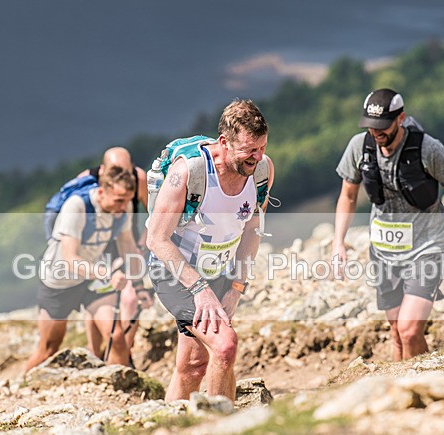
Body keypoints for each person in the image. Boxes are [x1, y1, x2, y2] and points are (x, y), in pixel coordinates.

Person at [146, 99, 274, 402]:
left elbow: (252, 230)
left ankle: (168, 429)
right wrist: (201, 290)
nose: (256, 157)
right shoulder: (188, 173)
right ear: (224, 142)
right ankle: (219, 429)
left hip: (218, 270)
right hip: (175, 272)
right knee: (225, 346)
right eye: (248, 150)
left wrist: (237, 288)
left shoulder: (262, 171)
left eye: (262, 148)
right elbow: (156, 239)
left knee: (192, 366)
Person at [332, 88, 444, 361]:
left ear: (401, 119)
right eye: (371, 126)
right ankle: (406, 393)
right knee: (397, 335)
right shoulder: (359, 147)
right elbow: (348, 196)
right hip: (384, 253)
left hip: (426, 248)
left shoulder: (428, 149)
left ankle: (427, 382)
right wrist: (338, 242)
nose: (376, 132)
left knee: (408, 330)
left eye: (383, 126)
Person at [25, 165, 152, 373]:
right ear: (102, 192)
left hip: (92, 281)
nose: (124, 207)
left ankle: (118, 396)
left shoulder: (123, 208)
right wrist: (108, 273)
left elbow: (127, 247)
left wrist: (139, 287)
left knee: (116, 337)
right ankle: (21, 386)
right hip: (59, 282)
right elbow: (70, 259)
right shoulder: (77, 207)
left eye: (128, 200)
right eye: (119, 200)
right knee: (48, 349)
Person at [77, 147, 150, 359]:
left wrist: (142, 244)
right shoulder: (86, 180)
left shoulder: (139, 178)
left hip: (128, 242)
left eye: (126, 172)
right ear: (103, 170)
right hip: (96, 248)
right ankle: (97, 353)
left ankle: (121, 355)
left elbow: (154, 212)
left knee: (131, 298)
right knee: (97, 298)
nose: (122, 178)